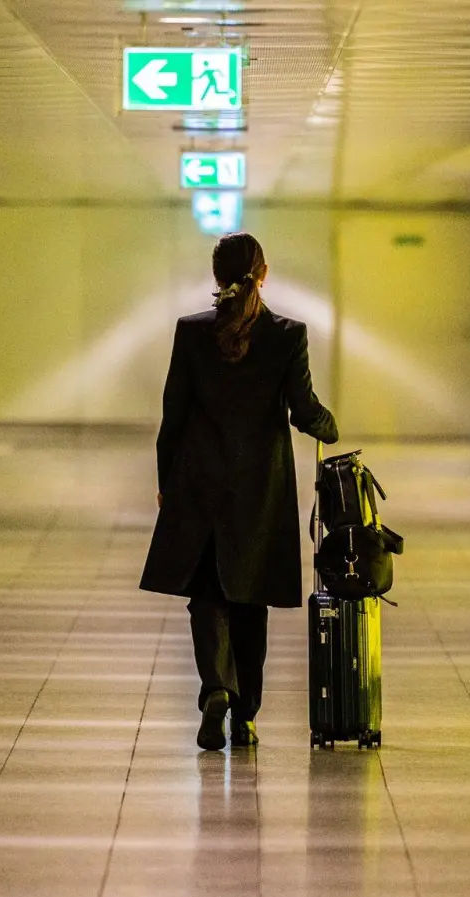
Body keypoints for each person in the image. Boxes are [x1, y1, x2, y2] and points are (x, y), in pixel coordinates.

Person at [140, 232, 339, 751]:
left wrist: (166, 483)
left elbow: (173, 416)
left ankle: (215, 689)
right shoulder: (287, 335)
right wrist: (329, 425)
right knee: (251, 601)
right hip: (261, 489)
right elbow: (303, 409)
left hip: (200, 482)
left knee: (208, 594)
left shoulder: (191, 332)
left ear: (216, 276)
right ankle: (246, 715)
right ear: (263, 274)